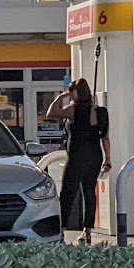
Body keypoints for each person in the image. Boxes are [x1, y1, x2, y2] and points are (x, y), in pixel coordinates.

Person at [44, 77, 110, 244]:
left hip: (77, 156)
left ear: (76, 92)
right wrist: (108, 159)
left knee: (68, 192)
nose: (69, 94)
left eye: (70, 91)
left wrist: (60, 97)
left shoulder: (73, 110)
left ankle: (62, 228)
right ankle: (87, 231)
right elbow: (105, 137)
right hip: (95, 156)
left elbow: (51, 113)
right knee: (89, 193)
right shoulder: (101, 112)